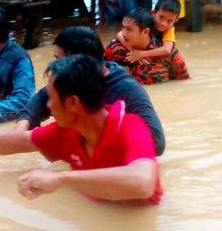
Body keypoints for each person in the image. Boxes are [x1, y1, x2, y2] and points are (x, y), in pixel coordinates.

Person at [0, 55, 163, 205]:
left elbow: (142, 183)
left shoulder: (132, 126)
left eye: (51, 98)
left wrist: (61, 179)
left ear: (72, 103)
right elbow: (19, 141)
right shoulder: (66, 132)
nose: (48, 106)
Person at [13, 26, 166, 155]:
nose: (55, 66)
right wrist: (20, 131)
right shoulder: (70, 81)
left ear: (79, 64)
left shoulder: (128, 90)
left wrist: (94, 139)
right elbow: (39, 101)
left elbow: (157, 143)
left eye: (60, 60)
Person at [105, 8, 190, 85]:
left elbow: (184, 82)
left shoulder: (170, 54)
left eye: (129, 29)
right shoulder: (116, 48)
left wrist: (140, 54)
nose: (124, 33)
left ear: (146, 32)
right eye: (123, 27)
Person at [115, 0, 183, 64]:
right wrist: (133, 51)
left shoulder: (170, 29)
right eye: (161, 17)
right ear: (153, 13)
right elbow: (119, 34)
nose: (164, 23)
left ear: (175, 21)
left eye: (170, 21)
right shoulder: (146, 20)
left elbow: (166, 50)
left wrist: (141, 54)